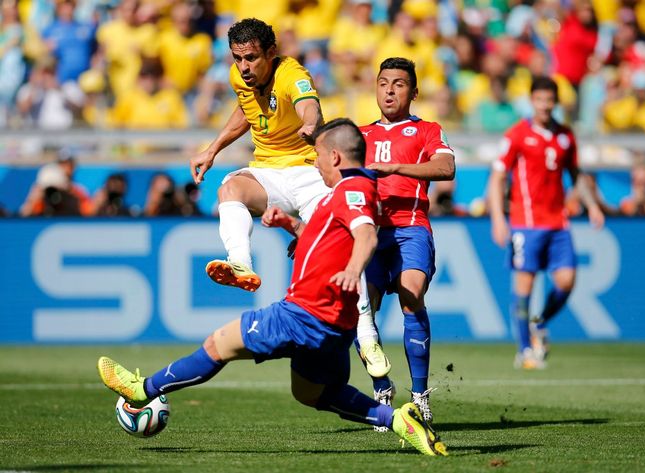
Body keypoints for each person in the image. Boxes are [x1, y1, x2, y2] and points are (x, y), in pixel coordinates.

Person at [96, 119, 448, 457]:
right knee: (313, 393)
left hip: (304, 312)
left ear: (336, 157)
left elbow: (366, 234)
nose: (315, 163)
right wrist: (290, 224)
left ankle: (142, 390)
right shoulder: (345, 191)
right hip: (332, 324)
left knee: (218, 345)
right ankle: (400, 421)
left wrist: (354, 269)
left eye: (319, 156)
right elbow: (330, 238)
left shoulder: (353, 188)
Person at [189, 18, 329, 293]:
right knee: (230, 189)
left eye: (251, 58)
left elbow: (309, 105)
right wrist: (212, 149)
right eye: (237, 58)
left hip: (309, 172)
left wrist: (310, 124)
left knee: (328, 253)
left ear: (271, 52)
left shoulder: (293, 74)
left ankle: (365, 330)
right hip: (269, 173)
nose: (243, 67)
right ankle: (240, 264)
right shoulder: (237, 76)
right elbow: (247, 110)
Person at [356, 57, 455, 428]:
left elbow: (446, 168)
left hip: (410, 226)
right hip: (367, 233)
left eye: (399, 84)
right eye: (383, 83)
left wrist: (397, 167)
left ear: (414, 92)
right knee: (358, 311)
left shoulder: (428, 130)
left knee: (412, 297)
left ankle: (419, 395)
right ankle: (382, 387)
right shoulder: (359, 135)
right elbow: (336, 186)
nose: (390, 90)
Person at [487, 76, 605, 370]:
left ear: (555, 102)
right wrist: (498, 218)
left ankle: (539, 323)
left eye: (549, 100)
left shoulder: (565, 135)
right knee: (524, 286)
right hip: (526, 223)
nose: (544, 105)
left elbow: (576, 173)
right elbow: (497, 177)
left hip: (558, 222)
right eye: (539, 99)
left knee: (567, 281)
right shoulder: (516, 135)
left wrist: (592, 206)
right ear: (531, 100)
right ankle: (525, 349)